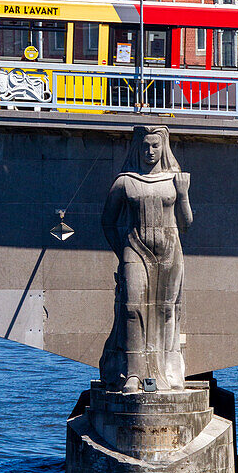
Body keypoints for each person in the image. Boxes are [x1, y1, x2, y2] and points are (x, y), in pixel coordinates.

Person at [99, 126, 192, 393]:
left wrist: (183, 193)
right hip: (134, 248)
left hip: (169, 252)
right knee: (132, 308)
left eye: (155, 146)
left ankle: (165, 370)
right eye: (145, 146)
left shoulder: (175, 180)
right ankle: (132, 373)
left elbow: (185, 225)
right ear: (136, 148)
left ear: (164, 148)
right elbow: (107, 222)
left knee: (165, 311)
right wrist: (124, 253)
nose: (150, 152)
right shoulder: (125, 181)